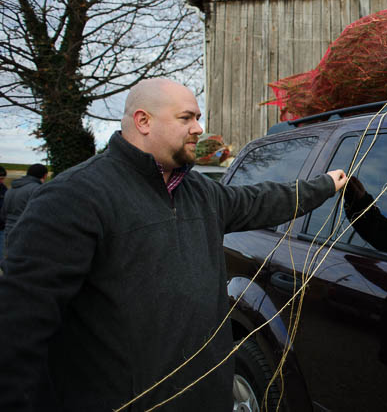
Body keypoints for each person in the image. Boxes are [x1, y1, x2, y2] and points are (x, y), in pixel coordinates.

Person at [0, 78, 348, 412]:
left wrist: (325, 186)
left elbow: (262, 200)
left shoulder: (200, 192)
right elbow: (19, 325)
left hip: (206, 400)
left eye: (197, 117)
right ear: (143, 121)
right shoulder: (75, 196)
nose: (199, 128)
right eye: (187, 118)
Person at [1, 163, 48, 251]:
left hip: (8, 231)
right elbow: (41, 213)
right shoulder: (36, 189)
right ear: (44, 176)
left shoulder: (10, 189)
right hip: (26, 233)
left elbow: (3, 214)